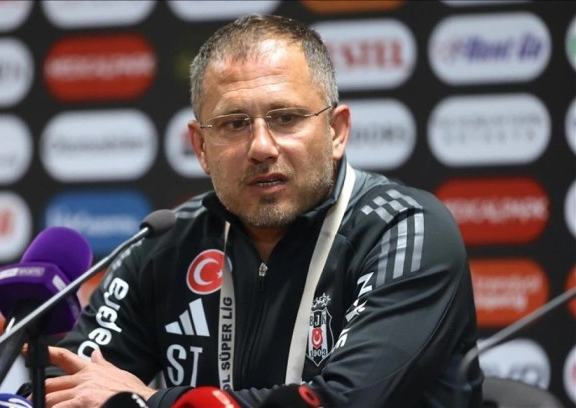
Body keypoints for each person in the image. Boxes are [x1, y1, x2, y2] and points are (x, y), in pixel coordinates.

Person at [38, 14, 483, 407]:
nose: (262, 147)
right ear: (201, 147)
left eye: (285, 117)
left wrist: (151, 402)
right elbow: (70, 384)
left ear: (336, 131)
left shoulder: (406, 230)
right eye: (234, 124)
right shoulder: (165, 243)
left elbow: (343, 401)